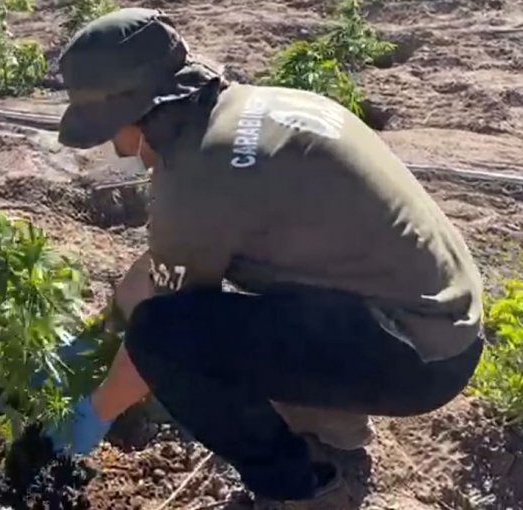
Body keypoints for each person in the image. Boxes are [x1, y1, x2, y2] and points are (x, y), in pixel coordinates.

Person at [34, 6, 485, 503]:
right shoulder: (246, 110)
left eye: (109, 131)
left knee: (169, 341)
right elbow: (162, 266)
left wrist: (93, 413)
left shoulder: (199, 177)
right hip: (436, 316)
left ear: (140, 114)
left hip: (418, 356)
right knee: (227, 316)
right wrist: (96, 336)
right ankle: (331, 431)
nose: (117, 150)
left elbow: (159, 338)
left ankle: (299, 487)